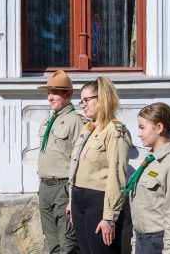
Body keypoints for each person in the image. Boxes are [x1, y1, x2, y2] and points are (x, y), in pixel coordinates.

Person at [68, 77, 131, 254]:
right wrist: (72, 201)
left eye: (87, 100)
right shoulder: (88, 128)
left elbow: (117, 176)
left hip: (99, 202)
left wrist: (109, 217)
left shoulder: (115, 131)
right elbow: (76, 168)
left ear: (102, 98)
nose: (83, 105)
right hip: (80, 199)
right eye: (81, 101)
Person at [125, 102, 170, 254]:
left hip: (162, 243)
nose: (139, 133)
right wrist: (136, 243)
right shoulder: (150, 161)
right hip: (144, 241)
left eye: (142, 127)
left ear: (159, 128)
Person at [37, 70, 84, 253]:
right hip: (45, 187)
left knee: (68, 244)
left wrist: (73, 196)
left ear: (69, 94)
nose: (50, 97)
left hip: (64, 188)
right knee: (53, 243)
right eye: (49, 92)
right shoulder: (50, 119)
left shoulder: (76, 121)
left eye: (55, 92)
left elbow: (80, 161)